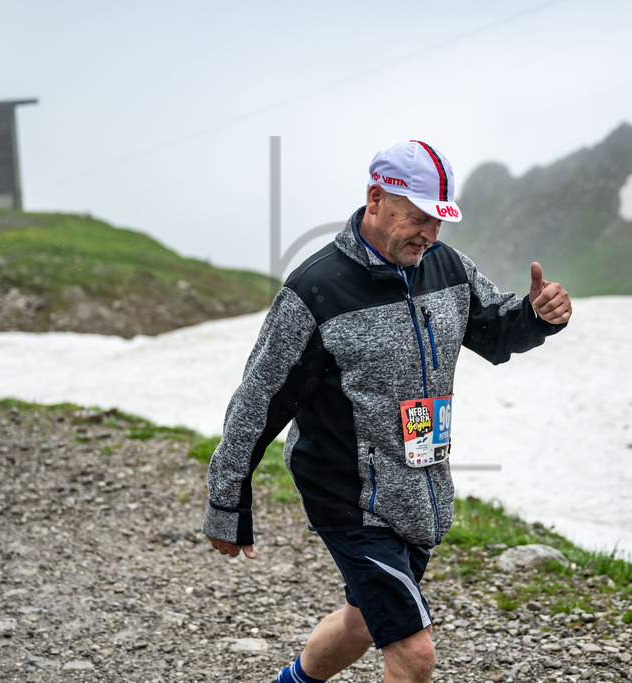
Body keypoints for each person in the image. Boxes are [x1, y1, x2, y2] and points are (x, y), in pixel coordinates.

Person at [202, 140, 571, 682]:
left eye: (437, 223)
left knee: (365, 622)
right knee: (414, 649)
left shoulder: (446, 266)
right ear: (376, 199)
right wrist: (226, 501)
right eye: (418, 217)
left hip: (419, 487)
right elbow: (259, 398)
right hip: (346, 494)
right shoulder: (315, 289)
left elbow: (495, 329)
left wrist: (537, 316)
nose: (429, 234)